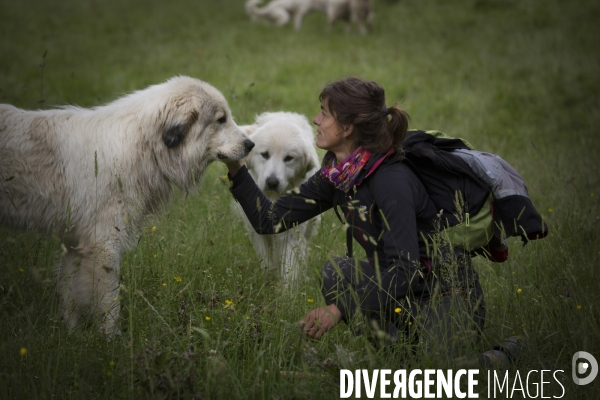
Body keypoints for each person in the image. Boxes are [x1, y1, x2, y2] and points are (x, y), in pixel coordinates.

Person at [226, 77, 487, 358]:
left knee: (436, 371)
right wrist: (233, 160)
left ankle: (501, 355)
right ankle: (393, 349)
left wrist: (338, 309)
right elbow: (269, 219)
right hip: (401, 293)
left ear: (347, 128)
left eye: (325, 114)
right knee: (335, 273)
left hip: (446, 295)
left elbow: (405, 270)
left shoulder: (392, 181)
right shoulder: (341, 176)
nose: (316, 120)